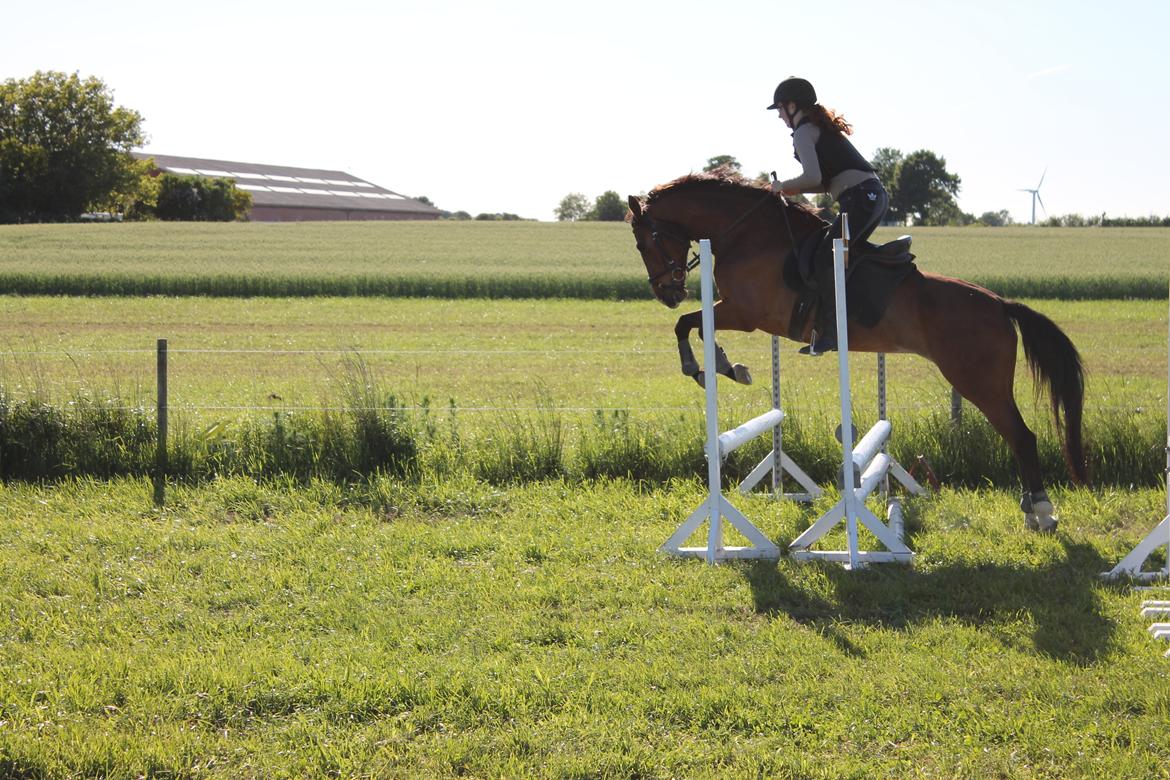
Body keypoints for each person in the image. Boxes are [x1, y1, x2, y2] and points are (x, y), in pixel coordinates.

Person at [768, 77, 887, 355]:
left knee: (827, 257)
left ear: (792, 105)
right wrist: (790, 189)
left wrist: (782, 186)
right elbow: (823, 183)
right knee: (833, 254)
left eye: (780, 110)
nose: (779, 116)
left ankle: (832, 333)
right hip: (868, 197)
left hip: (861, 199)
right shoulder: (816, 127)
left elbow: (813, 176)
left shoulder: (803, 132)